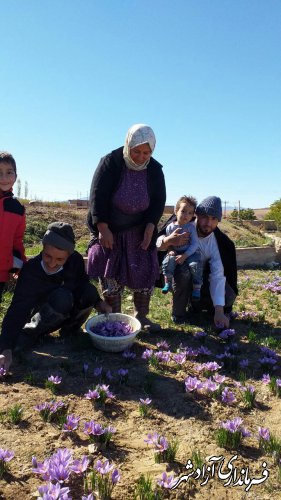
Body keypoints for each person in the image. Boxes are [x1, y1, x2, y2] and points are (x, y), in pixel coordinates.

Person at [0, 222, 111, 373]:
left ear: (69, 255)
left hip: (67, 309)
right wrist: (5, 347)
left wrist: (98, 303)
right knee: (61, 297)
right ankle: (33, 333)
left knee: (89, 291)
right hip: (43, 315)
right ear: (43, 247)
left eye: (60, 260)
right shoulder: (31, 270)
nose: (52, 264)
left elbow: (82, 284)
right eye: (48, 256)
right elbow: (18, 309)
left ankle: (70, 330)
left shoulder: (76, 261)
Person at [87, 124, 166, 332]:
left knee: (146, 266)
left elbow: (158, 201)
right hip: (111, 228)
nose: (141, 157)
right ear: (127, 145)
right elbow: (97, 195)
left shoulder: (155, 170)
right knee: (109, 268)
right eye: (136, 151)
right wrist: (103, 228)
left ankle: (142, 316)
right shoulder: (111, 162)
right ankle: (114, 318)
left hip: (139, 229)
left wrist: (151, 225)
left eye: (146, 152)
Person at [157, 196, 237, 328]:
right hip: (175, 275)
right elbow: (158, 243)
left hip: (199, 280)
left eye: (213, 219)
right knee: (184, 270)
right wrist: (169, 241)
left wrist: (219, 312)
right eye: (205, 217)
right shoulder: (183, 226)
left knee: (227, 297)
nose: (208, 223)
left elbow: (217, 275)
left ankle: (195, 303)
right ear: (197, 215)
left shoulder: (218, 242)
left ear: (218, 221)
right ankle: (179, 312)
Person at [161, 195, 202, 300]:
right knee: (168, 261)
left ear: (193, 215)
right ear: (176, 211)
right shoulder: (170, 227)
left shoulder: (191, 228)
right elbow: (169, 242)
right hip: (176, 252)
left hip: (190, 253)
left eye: (190, 213)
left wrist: (184, 256)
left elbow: (195, 244)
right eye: (183, 211)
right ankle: (167, 282)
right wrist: (170, 250)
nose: (186, 215)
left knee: (195, 265)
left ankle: (197, 286)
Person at [0, 152, 26, 302]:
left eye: (9, 172)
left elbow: (17, 241)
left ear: (15, 176)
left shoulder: (18, 208)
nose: (4, 178)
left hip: (2, 271)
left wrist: (20, 263)